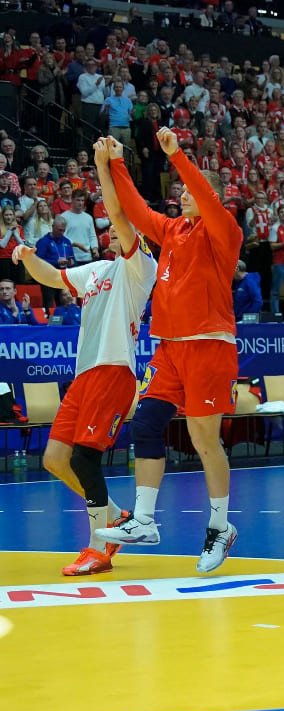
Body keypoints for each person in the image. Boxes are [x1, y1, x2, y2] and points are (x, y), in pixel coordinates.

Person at [96, 125, 244, 573]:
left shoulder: (225, 233)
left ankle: (220, 527)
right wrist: (116, 163)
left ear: (213, 198)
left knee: (203, 439)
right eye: (178, 189)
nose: (181, 194)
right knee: (146, 422)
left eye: (190, 190)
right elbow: (137, 212)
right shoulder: (174, 230)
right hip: (169, 349)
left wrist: (178, 155)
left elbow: (205, 194)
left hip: (208, 346)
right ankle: (143, 519)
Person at [13, 136, 156, 575]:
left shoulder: (141, 267)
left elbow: (117, 212)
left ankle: (98, 546)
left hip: (113, 372)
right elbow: (53, 277)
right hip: (85, 375)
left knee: (84, 458)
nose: (110, 228)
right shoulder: (96, 269)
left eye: (118, 225)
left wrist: (103, 164)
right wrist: (23, 256)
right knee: (55, 459)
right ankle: (114, 516)